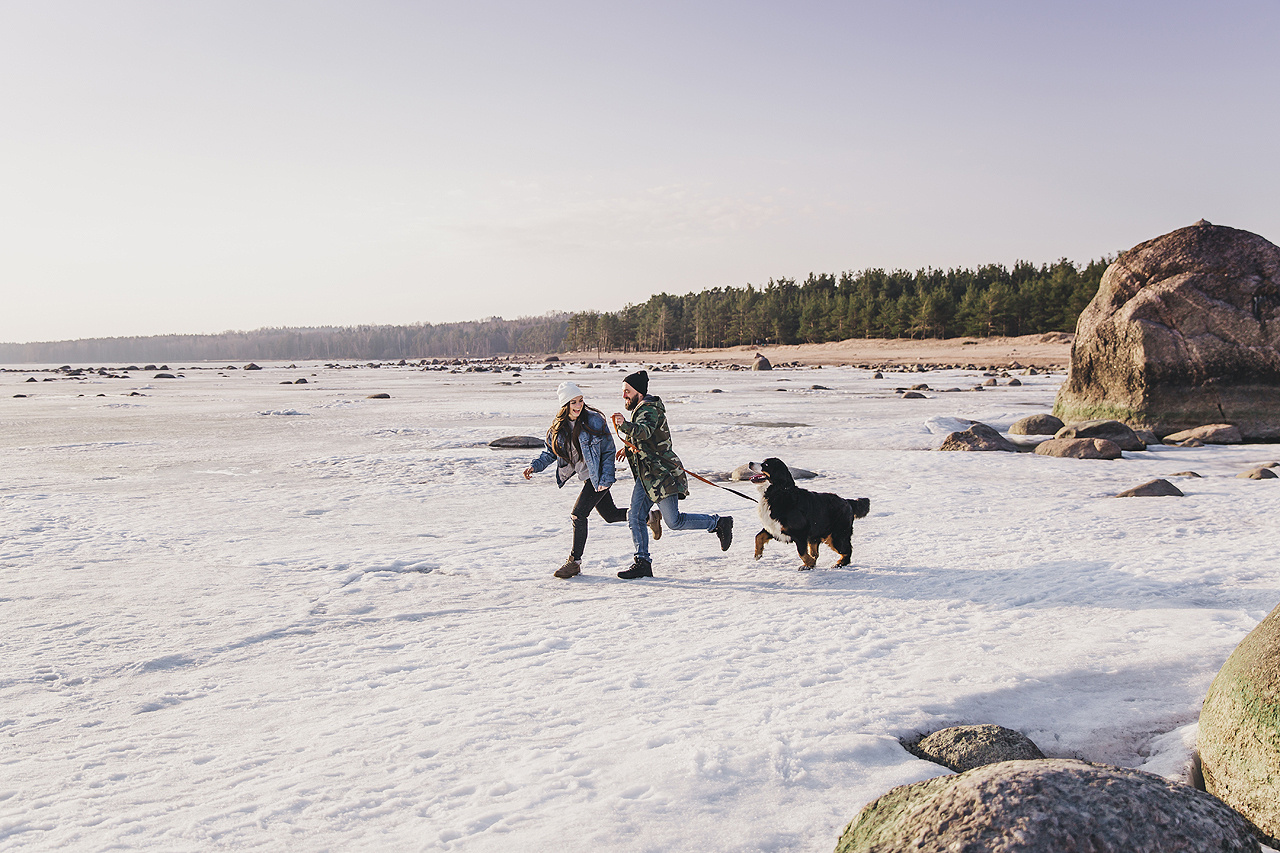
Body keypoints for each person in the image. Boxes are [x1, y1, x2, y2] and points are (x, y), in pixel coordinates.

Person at [611, 370, 732, 579]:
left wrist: (625, 426)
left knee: (674, 522)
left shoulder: (648, 409)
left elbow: (645, 431)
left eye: (627, 392)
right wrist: (629, 447)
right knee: (635, 516)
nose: (624, 396)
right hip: (648, 476)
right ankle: (642, 562)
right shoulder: (641, 408)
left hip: (662, 474)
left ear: (638, 392)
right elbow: (648, 441)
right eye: (623, 392)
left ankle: (718, 523)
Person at [523, 381, 628, 578]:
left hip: (598, 477)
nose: (579, 406)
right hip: (589, 478)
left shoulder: (594, 420)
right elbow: (550, 453)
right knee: (611, 515)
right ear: (565, 405)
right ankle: (649, 517)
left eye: (580, 401)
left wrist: (606, 478)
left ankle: (574, 562)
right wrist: (534, 466)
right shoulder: (557, 429)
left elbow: (608, 451)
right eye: (573, 402)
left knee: (578, 515)